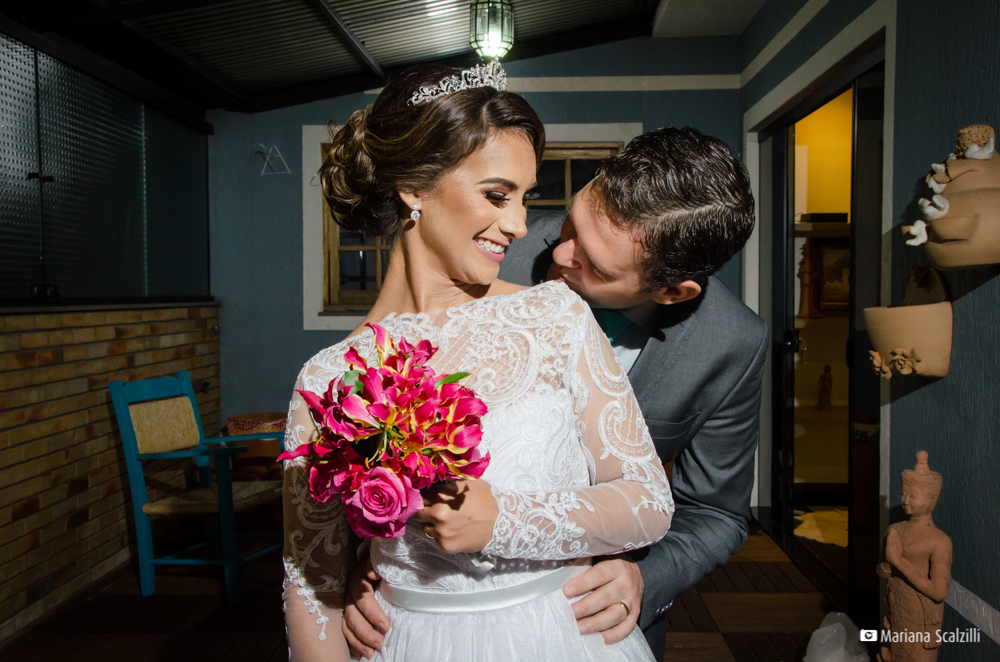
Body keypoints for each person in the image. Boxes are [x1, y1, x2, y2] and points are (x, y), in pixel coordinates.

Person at [281, 62, 673, 662]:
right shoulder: (327, 379)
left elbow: (648, 501)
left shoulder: (554, 316)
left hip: (558, 637)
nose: (518, 224)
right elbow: (312, 588)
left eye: (524, 198)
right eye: (496, 195)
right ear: (413, 187)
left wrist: (504, 520)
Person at [344, 126, 768, 661]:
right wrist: (369, 555)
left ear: (670, 291)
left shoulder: (731, 343)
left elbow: (717, 513)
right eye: (571, 223)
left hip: (592, 621)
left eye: (595, 265)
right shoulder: (494, 246)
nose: (560, 254)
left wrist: (644, 578)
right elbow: (383, 401)